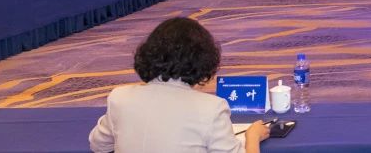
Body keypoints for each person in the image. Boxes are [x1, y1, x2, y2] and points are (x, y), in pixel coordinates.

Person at [89, 17, 269, 153]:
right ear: (203, 61)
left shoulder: (120, 97)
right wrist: (252, 137)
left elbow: (98, 145)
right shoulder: (211, 108)